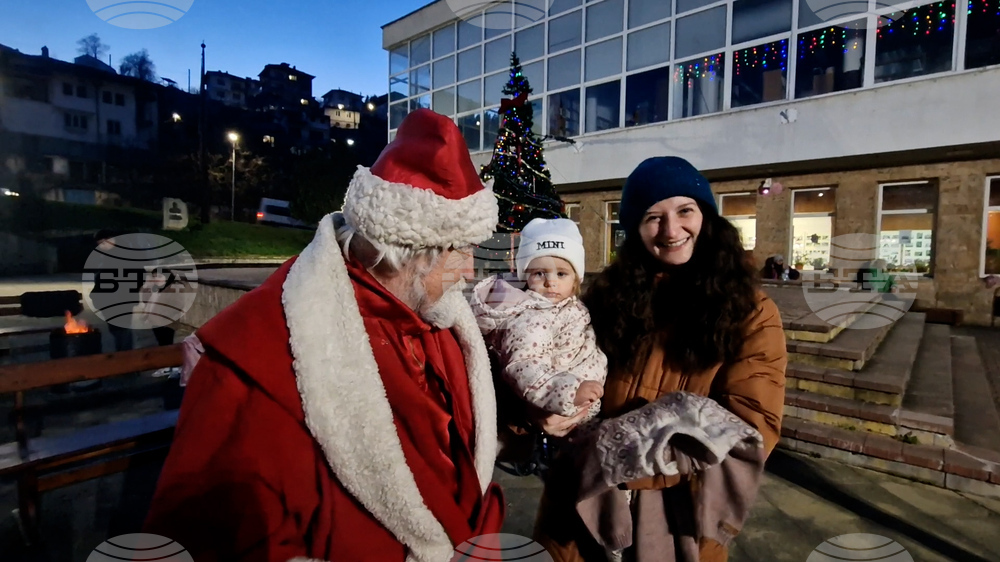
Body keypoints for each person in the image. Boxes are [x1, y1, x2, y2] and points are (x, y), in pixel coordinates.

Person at [143, 109, 506, 561]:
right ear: (406, 252)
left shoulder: (439, 321)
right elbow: (216, 535)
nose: (470, 271)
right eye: (459, 251)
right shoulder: (258, 349)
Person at [531, 156, 787, 562]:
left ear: (706, 215)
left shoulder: (750, 311)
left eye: (685, 210)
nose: (671, 230)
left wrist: (615, 452)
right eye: (653, 217)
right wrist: (541, 411)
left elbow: (751, 426)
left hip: (677, 519)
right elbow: (550, 367)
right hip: (579, 507)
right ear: (634, 228)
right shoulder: (606, 296)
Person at [470, 217, 607, 423]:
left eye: (561, 274)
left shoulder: (573, 307)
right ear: (526, 277)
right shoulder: (530, 318)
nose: (550, 282)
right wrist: (570, 391)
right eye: (540, 273)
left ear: (575, 279)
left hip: (584, 409)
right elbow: (525, 366)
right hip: (561, 407)